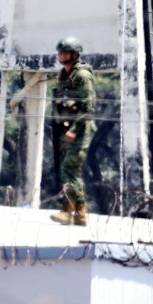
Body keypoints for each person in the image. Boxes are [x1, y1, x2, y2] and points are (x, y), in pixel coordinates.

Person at [51, 36, 96, 227]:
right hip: (65, 129)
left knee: (69, 168)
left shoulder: (82, 76)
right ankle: (80, 214)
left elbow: (88, 107)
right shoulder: (63, 75)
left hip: (80, 130)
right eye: (60, 52)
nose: (62, 55)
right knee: (71, 171)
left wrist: (74, 130)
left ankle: (68, 211)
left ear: (75, 54)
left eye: (65, 52)